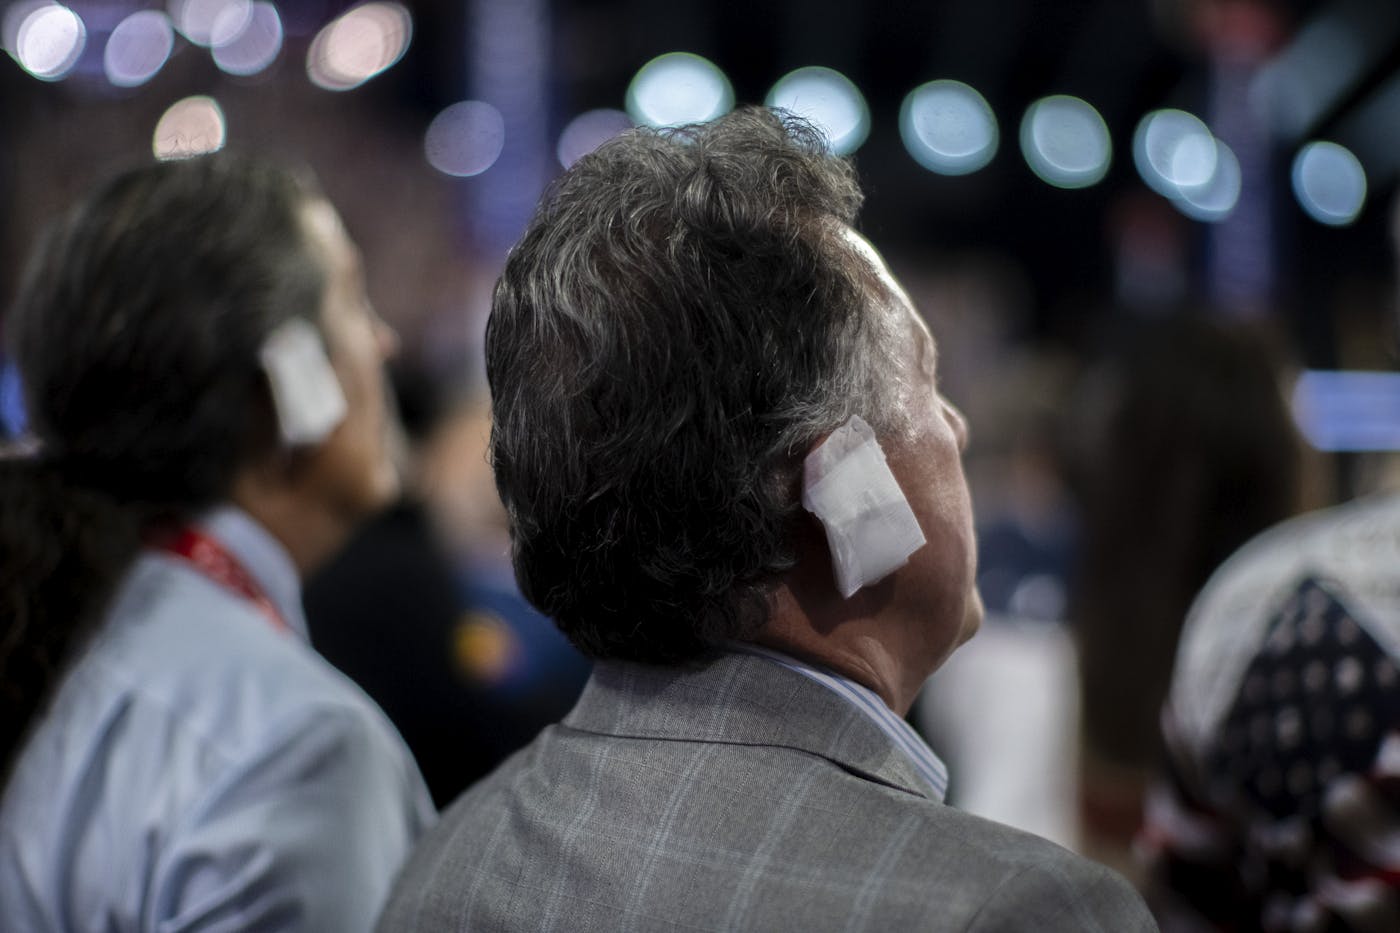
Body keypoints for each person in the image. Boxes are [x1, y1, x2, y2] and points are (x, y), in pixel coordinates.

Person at [378, 107, 1154, 932]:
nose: (958, 426)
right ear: (841, 489)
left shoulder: (444, 862)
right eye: (928, 384)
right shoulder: (1020, 909)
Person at [0, 155, 435, 931]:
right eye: (354, 302)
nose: (384, 342)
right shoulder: (296, 746)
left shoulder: (44, 636)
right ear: (290, 385)